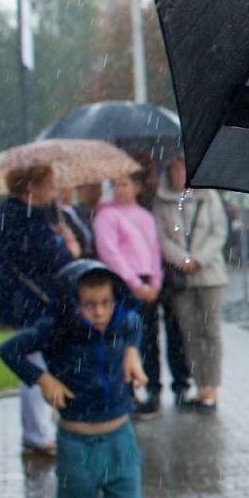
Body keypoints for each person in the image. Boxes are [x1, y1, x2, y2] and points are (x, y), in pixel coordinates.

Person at [0, 260, 147, 498]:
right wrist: (42, 379)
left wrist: (131, 351)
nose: (99, 312)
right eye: (89, 304)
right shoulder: (56, 330)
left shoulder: (121, 322)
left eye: (106, 302)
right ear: (71, 303)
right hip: (77, 443)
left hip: (119, 439)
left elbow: (136, 322)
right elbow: (9, 350)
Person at [0, 163, 80, 458]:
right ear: (31, 188)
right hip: (31, 300)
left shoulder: (12, 213)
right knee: (35, 363)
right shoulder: (24, 216)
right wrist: (67, 245)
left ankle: (34, 431)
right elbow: (54, 258)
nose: (52, 191)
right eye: (47, 184)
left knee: (32, 358)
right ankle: (37, 433)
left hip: (22, 298)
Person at [153, 156, 227, 412]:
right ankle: (199, 384)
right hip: (181, 277)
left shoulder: (208, 196)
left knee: (210, 331)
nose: (179, 174)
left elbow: (218, 232)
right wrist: (181, 259)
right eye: (174, 170)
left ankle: (212, 387)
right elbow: (161, 237)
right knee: (189, 331)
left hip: (209, 274)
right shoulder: (162, 202)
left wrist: (199, 258)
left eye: (183, 168)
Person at [93, 172, 164, 413]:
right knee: (125, 336)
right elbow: (110, 253)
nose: (120, 189)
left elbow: (154, 250)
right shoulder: (107, 216)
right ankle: (128, 391)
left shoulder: (145, 215)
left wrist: (155, 281)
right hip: (124, 283)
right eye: (116, 185)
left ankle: (153, 385)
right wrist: (134, 283)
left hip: (147, 280)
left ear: (136, 187)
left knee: (150, 337)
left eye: (125, 184)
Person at [132, 156, 191, 414]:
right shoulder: (136, 203)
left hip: (169, 276)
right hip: (144, 277)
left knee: (176, 332)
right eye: (147, 172)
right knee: (147, 336)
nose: (152, 178)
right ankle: (153, 387)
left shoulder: (165, 198)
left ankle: (180, 385)